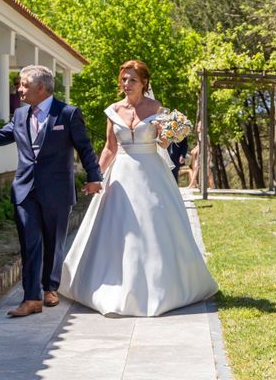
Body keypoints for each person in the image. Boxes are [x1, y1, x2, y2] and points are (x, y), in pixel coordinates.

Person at [59, 60, 218, 317]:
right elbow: (110, 148)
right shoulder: (112, 110)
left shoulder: (157, 109)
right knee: (117, 229)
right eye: (123, 79)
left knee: (153, 227)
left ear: (144, 82)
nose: (126, 84)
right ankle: (112, 285)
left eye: (132, 80)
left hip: (151, 173)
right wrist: (95, 176)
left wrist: (168, 134)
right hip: (120, 174)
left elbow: (163, 145)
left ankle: (160, 289)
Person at [0, 65, 102, 317]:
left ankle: (50, 288)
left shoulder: (67, 113)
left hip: (57, 190)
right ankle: (31, 298)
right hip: (25, 189)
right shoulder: (20, 115)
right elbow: (1, 135)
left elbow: (84, 148)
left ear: (40, 88)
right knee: (29, 243)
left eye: (23, 85)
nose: (18, 89)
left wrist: (94, 177)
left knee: (54, 243)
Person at [187, 121, 214, 189]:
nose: (198, 126)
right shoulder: (200, 134)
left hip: (205, 154)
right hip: (200, 154)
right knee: (196, 168)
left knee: (208, 170)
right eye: (198, 125)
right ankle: (192, 184)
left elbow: (204, 145)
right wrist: (194, 149)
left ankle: (212, 185)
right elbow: (199, 145)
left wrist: (195, 150)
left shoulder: (204, 135)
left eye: (200, 125)